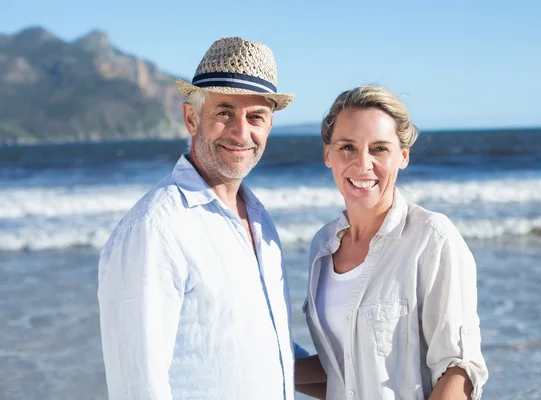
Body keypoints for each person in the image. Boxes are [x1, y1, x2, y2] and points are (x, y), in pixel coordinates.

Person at [97, 37, 298, 399]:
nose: (241, 132)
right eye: (224, 112)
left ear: (268, 126)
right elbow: (138, 384)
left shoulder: (259, 220)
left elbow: (258, 346)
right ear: (191, 117)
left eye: (256, 117)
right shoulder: (156, 228)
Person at [298, 85, 488, 399]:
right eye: (347, 147)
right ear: (327, 154)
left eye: (379, 149)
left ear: (403, 156)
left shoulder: (431, 238)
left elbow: (459, 369)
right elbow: (344, 366)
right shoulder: (322, 246)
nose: (362, 163)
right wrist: (261, 364)